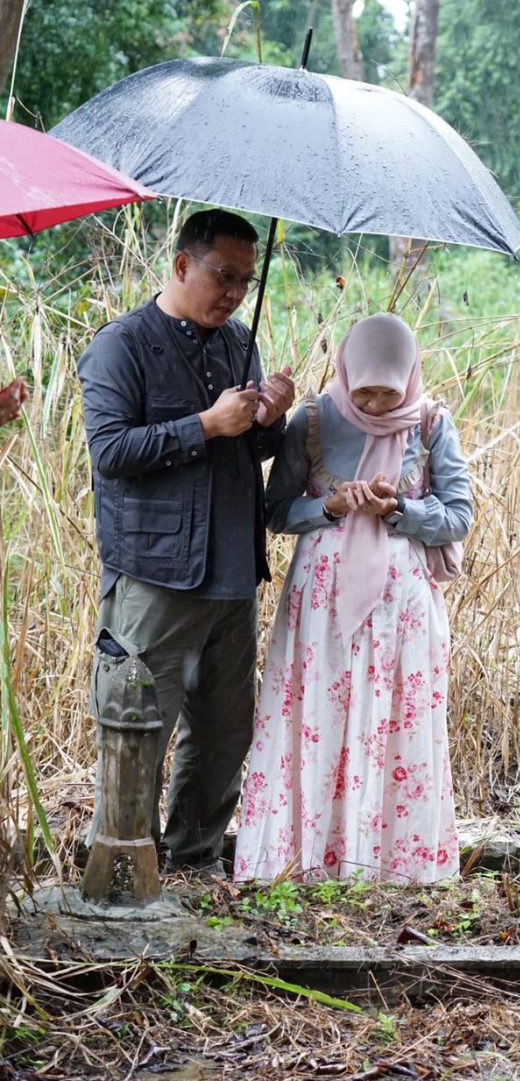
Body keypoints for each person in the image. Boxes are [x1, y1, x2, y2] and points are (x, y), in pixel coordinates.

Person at [77, 208, 295, 876]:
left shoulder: (238, 342)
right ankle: (125, 865)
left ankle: (194, 860)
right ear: (181, 265)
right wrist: (205, 423)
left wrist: (268, 421)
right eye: (224, 275)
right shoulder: (122, 345)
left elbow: (250, 449)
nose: (235, 292)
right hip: (154, 573)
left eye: (246, 280)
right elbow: (112, 450)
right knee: (138, 724)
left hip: (232, 569)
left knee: (225, 731)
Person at [233, 313, 472, 884]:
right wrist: (333, 508)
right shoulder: (313, 420)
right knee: (319, 711)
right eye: (365, 390)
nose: (377, 403)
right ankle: (306, 858)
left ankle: (391, 863)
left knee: (394, 718)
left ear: (410, 377)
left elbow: (460, 515)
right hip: (322, 603)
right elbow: (274, 511)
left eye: (389, 392)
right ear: (346, 372)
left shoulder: (432, 422)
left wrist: (398, 510)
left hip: (403, 608)